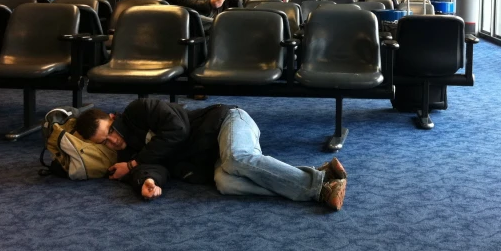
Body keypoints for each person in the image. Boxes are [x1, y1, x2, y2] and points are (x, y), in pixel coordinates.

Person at [75, 98, 347, 210]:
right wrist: (147, 181)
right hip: (212, 155)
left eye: (110, 131)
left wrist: (135, 162)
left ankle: (319, 187)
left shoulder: (139, 110)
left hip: (228, 120)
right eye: (105, 143)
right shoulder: (130, 154)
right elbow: (155, 167)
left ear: (112, 118)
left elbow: (178, 129)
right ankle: (319, 176)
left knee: (235, 158)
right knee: (226, 183)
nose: (114, 141)